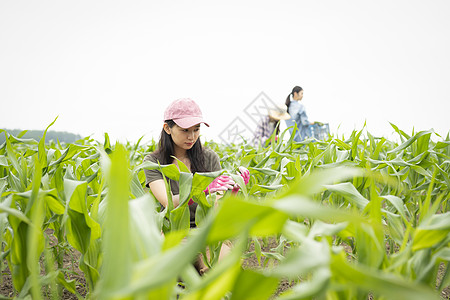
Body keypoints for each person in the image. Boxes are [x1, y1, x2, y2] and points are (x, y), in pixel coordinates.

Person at [143, 98, 248, 273]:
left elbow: (216, 207)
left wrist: (233, 191)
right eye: (185, 130)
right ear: (167, 128)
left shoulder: (209, 158)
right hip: (173, 233)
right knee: (166, 277)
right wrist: (200, 190)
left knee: (224, 269)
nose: (191, 136)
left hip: (206, 232)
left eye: (196, 129)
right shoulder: (153, 162)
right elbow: (169, 203)